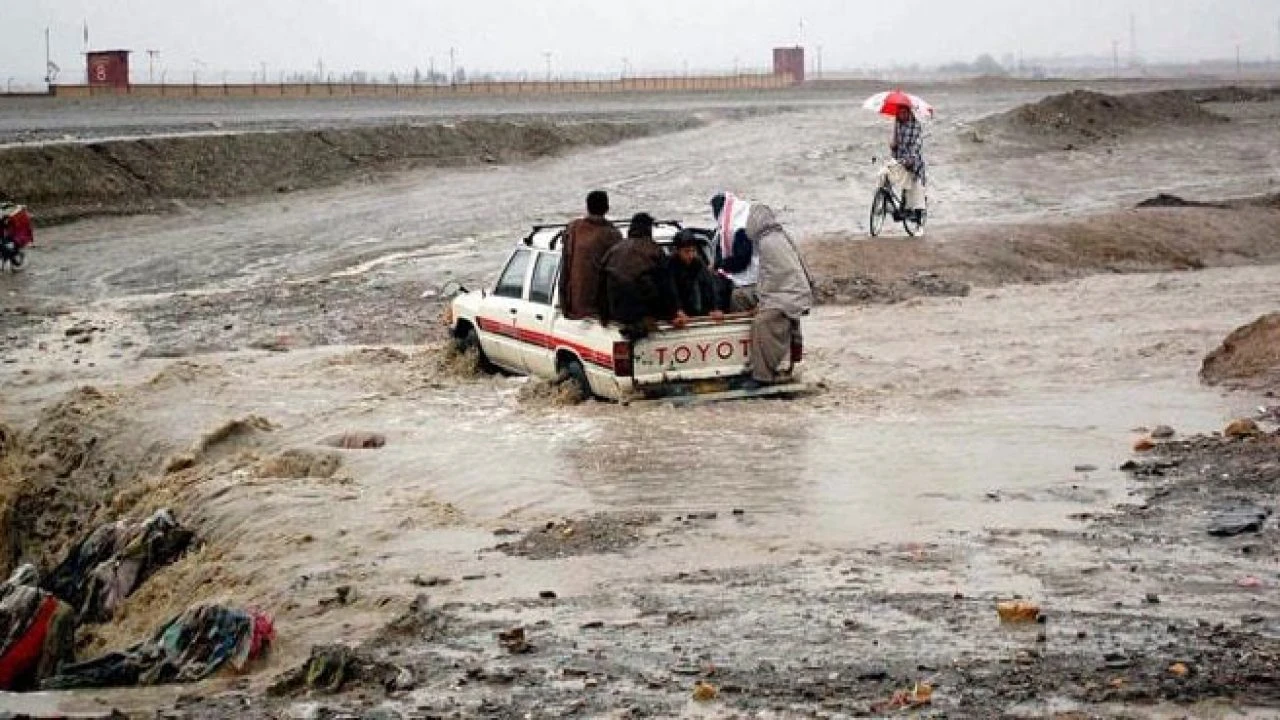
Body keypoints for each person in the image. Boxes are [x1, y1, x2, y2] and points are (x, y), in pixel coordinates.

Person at [741, 204, 814, 388]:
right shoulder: (778, 236)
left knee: (760, 323)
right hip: (790, 292)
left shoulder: (768, 242)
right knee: (738, 296)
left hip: (788, 295)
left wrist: (762, 303)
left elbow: (773, 278)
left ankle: (762, 375)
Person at [597, 213, 688, 339]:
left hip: (617, 313)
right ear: (649, 230)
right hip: (645, 312)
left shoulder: (613, 250)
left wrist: (604, 317)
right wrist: (674, 313)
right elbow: (666, 286)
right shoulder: (654, 250)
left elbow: (601, 287)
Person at [558, 190, 622, 320]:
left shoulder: (573, 228)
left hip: (573, 305)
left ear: (587, 207)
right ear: (607, 208)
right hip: (599, 308)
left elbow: (565, 266)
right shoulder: (613, 235)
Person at [709, 192, 759, 312]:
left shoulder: (739, 229)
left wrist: (719, 266)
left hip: (749, 283)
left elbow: (741, 261)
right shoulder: (728, 228)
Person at [669, 229, 729, 320]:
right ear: (677, 251)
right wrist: (678, 310)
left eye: (693, 251)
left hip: (702, 313)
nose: (691, 255)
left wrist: (716, 308)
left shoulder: (699, 264)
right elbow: (671, 292)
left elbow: (712, 287)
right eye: (686, 251)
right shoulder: (670, 267)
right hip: (681, 315)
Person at [886, 105, 927, 221]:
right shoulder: (897, 124)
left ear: (909, 113)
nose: (902, 115)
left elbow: (917, 144)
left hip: (912, 159)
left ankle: (913, 211)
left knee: (911, 182)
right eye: (900, 113)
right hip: (899, 158)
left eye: (904, 113)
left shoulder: (915, 125)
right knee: (885, 174)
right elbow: (895, 145)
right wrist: (892, 145)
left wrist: (911, 158)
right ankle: (886, 202)